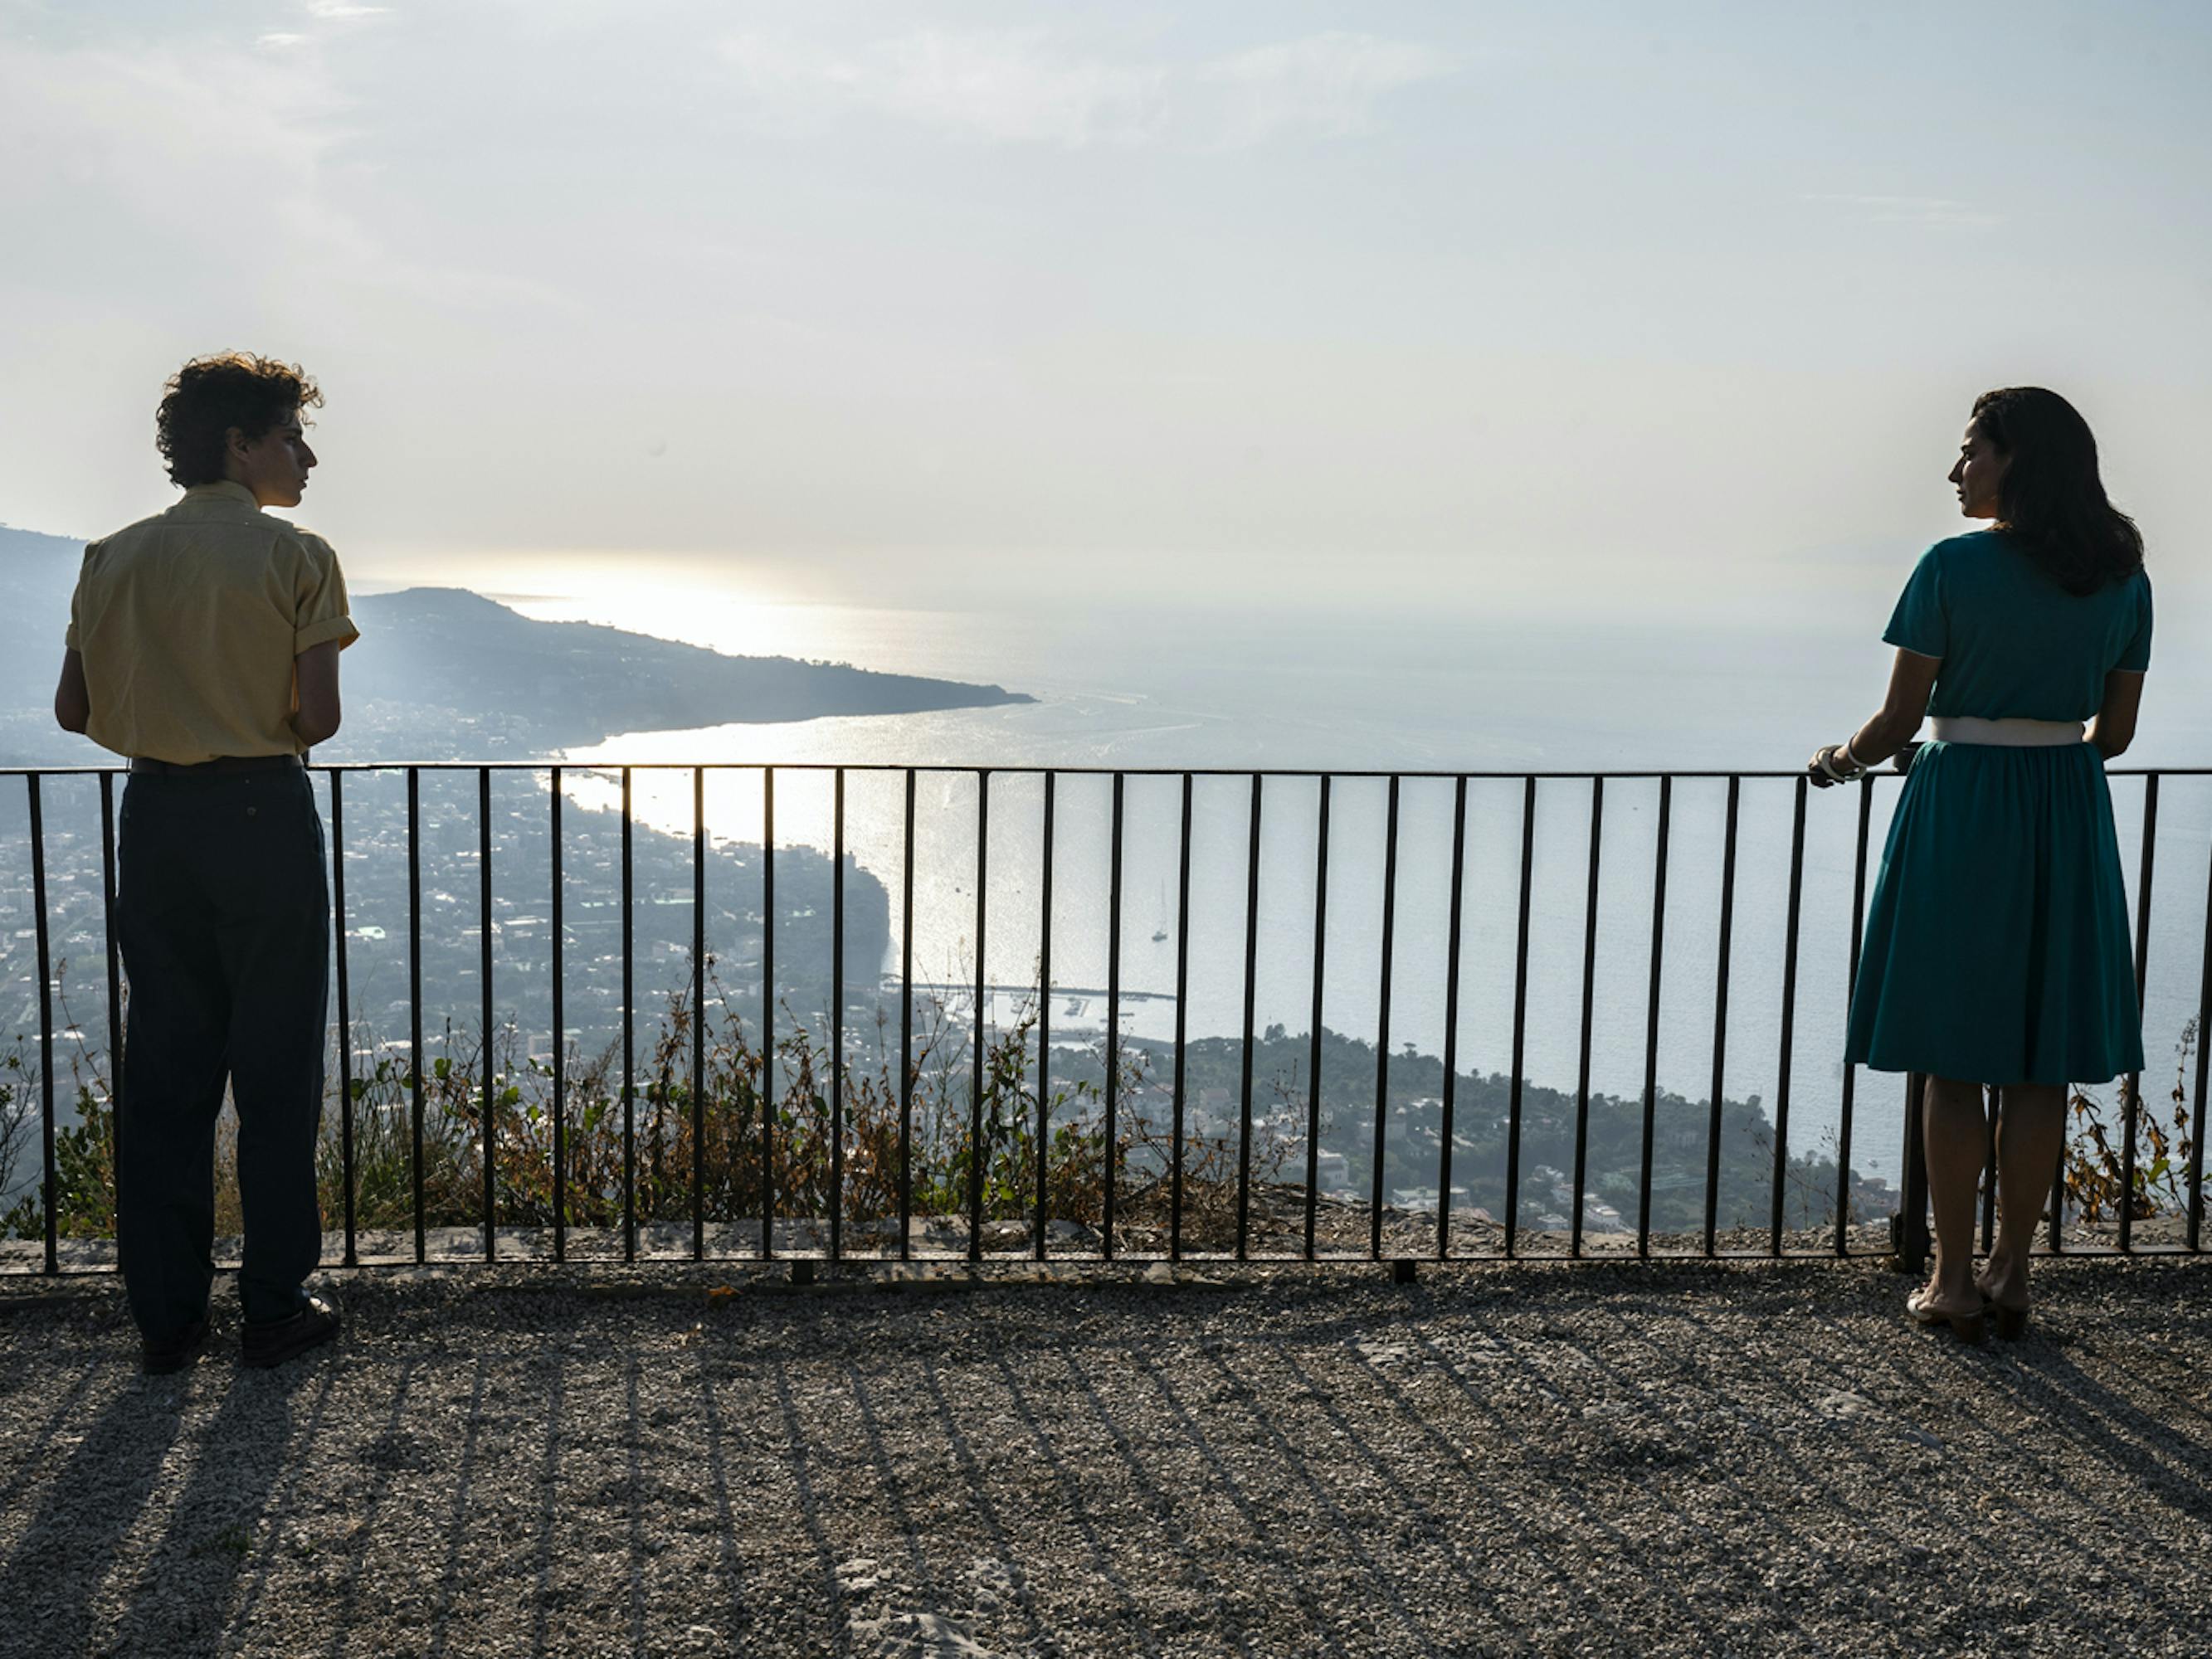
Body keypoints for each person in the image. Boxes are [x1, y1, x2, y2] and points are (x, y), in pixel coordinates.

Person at [1809, 387, 2149, 1344]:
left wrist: (1836, 760)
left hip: (1960, 807)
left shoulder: (1949, 567)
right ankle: (2011, 1272)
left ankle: (1950, 1279)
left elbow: (1891, 726)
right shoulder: (2124, 577)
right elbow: (2112, 735)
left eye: (1971, 452)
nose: (1955, 471)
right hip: (2063, 807)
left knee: (1950, 1056)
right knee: (2038, 1061)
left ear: (2019, 460)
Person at [54, 353, 358, 1373]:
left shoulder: (111, 555)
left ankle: (168, 1318)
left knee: (169, 1066)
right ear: (239, 441)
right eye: (288, 436)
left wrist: (171, 725)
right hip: (261, 811)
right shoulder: (297, 554)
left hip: (157, 815)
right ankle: (274, 1305)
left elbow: (74, 709)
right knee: (274, 1068)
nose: (305, 457)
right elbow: (318, 716)